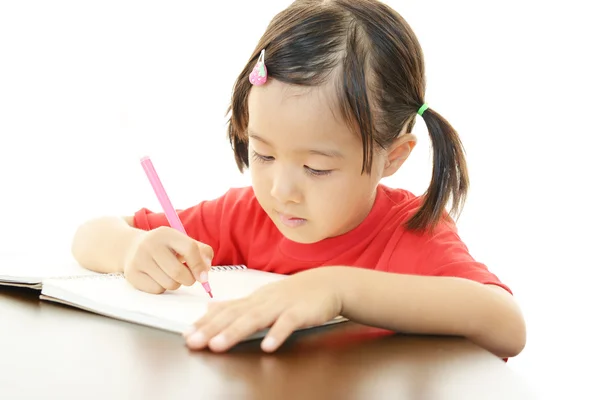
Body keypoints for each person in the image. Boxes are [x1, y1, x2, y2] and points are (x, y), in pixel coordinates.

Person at [71, 0, 526, 358]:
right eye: (263, 153)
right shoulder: (245, 215)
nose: (279, 190)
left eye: (316, 168)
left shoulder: (408, 233)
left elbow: (506, 324)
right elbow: (92, 235)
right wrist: (133, 250)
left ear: (393, 157)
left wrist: (336, 289)